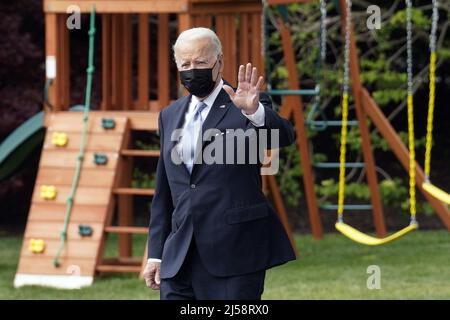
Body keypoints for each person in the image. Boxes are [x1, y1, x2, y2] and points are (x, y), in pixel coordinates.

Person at [143, 27, 296, 300]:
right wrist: (156, 254)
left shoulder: (246, 103)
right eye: (185, 64)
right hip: (179, 257)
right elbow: (164, 191)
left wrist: (255, 112)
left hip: (234, 251)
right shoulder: (169, 115)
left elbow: (284, 136)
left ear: (219, 62)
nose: (193, 70)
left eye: (201, 63)